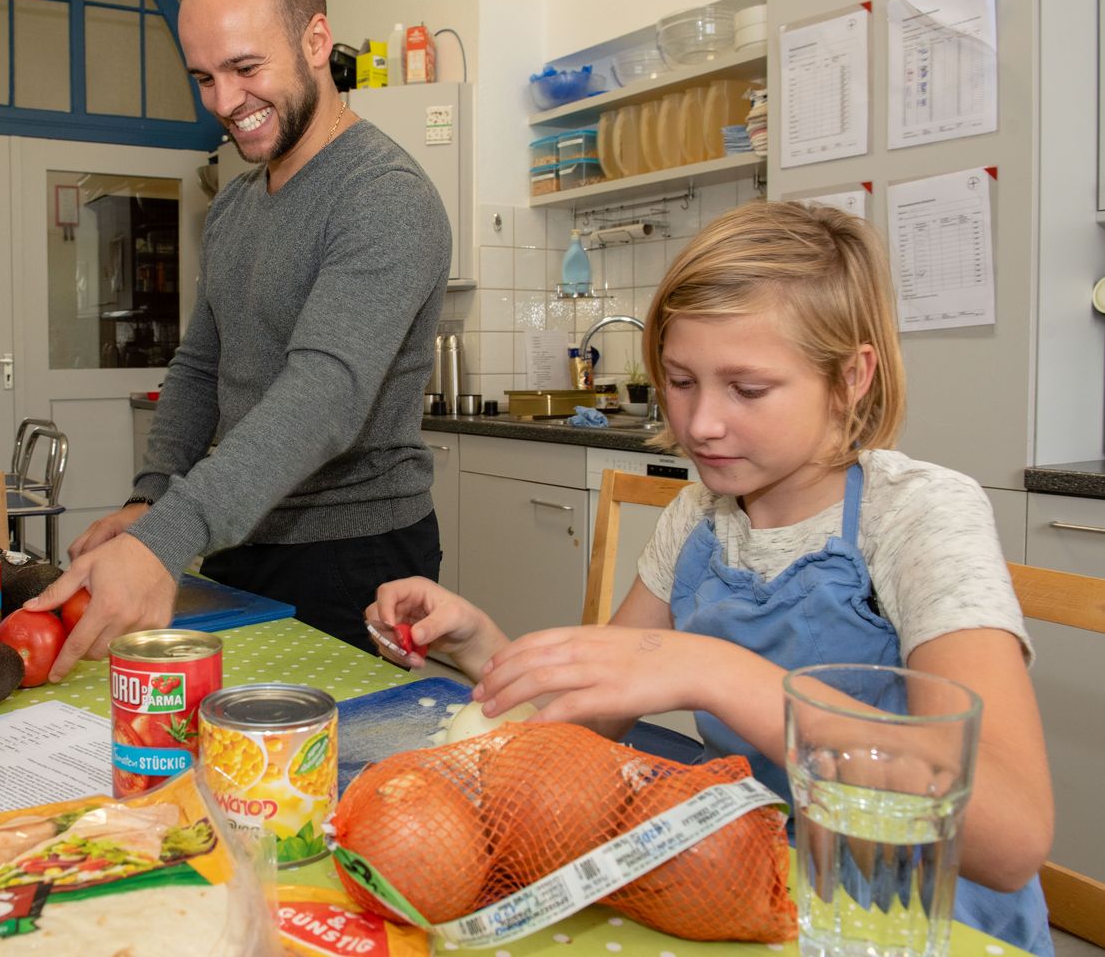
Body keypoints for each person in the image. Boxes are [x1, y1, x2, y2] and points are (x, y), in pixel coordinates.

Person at [369, 200, 1053, 955]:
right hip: (759, 887)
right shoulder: (701, 516)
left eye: (748, 390)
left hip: (920, 921)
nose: (699, 425)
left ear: (851, 377)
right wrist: (480, 644)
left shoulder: (918, 515)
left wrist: (725, 676)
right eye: (681, 380)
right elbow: (591, 725)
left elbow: (1010, 834)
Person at [31, 0, 450, 677]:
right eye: (204, 78)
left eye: (245, 69)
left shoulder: (383, 196)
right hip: (240, 538)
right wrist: (151, 499)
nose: (225, 103)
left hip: (351, 558)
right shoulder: (233, 208)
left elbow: (322, 399)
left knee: (325, 781)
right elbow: (200, 367)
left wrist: (168, 536)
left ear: (316, 41)